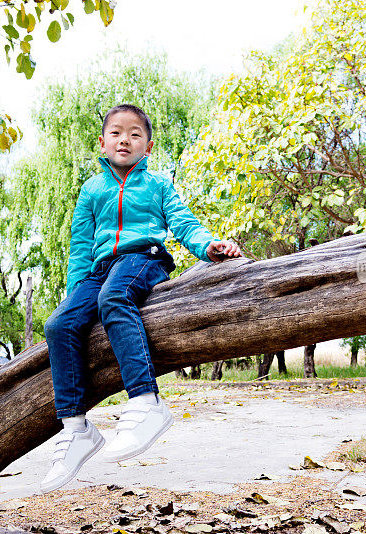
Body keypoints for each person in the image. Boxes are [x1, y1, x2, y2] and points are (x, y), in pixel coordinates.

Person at [41, 104, 241, 492]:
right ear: (102, 142)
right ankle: (76, 428)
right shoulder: (91, 190)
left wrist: (208, 246)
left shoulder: (158, 185)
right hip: (100, 269)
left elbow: (184, 223)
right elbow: (81, 247)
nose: (125, 139)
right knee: (58, 324)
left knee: (115, 299)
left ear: (147, 147)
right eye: (116, 132)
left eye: (135, 134)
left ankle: (146, 401)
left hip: (143, 258)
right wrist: (74, 301)